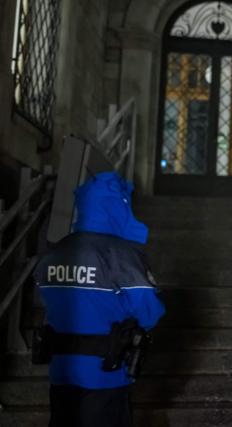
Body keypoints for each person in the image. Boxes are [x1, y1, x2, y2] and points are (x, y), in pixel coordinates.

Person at [32, 172, 165, 427]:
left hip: (62, 371)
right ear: (118, 206)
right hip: (106, 373)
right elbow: (150, 311)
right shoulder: (122, 256)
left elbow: (45, 296)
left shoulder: (56, 253)